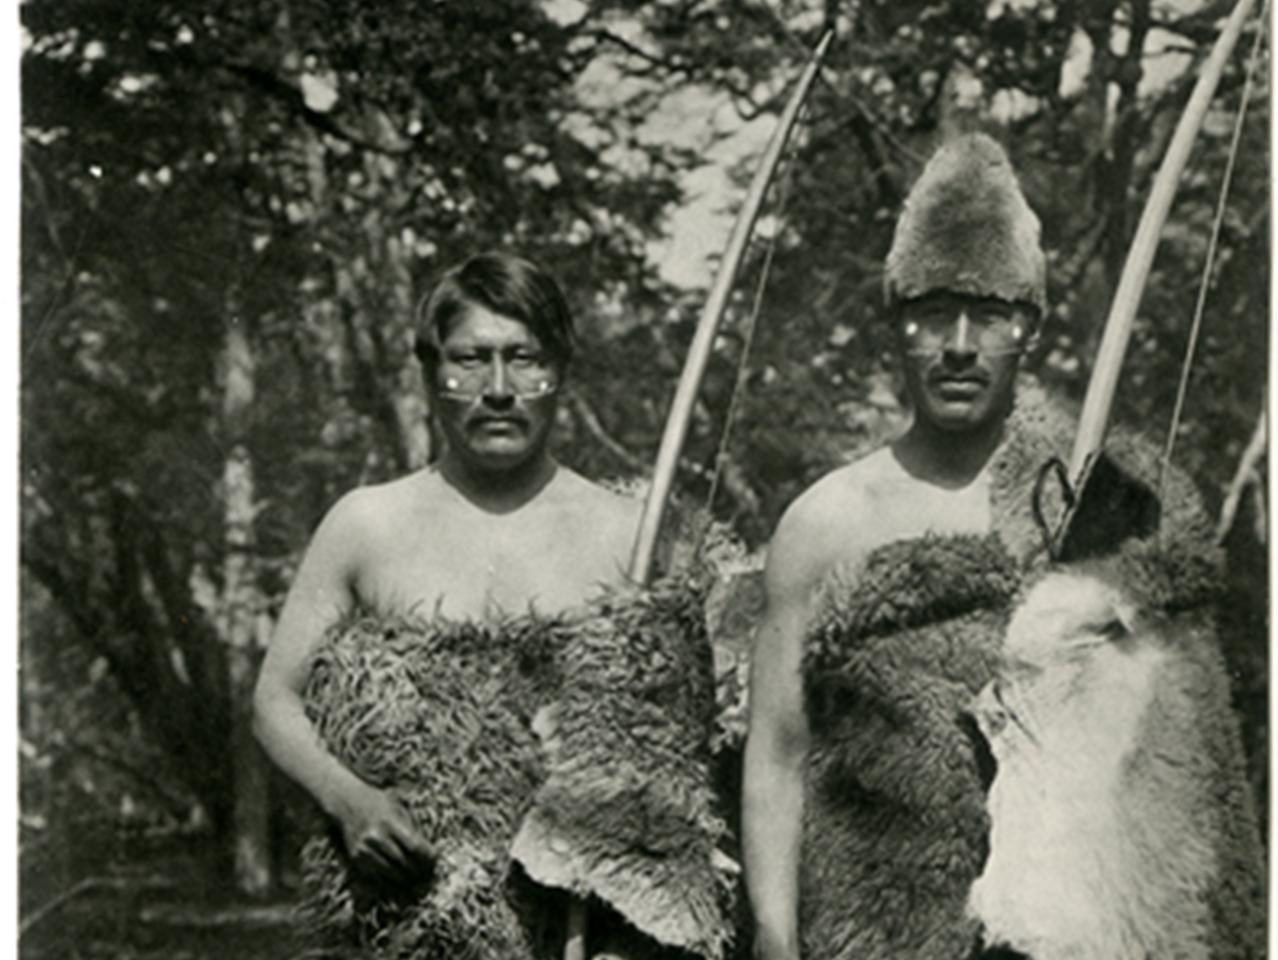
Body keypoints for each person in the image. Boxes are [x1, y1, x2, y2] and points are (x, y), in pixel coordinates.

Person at [741, 133, 1048, 960]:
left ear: (1030, 329)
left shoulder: (1076, 507)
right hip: (865, 928)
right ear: (895, 330)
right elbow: (777, 750)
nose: (956, 344)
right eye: (929, 313)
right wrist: (774, 935)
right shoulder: (826, 520)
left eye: (988, 313)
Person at [253, 250, 642, 889]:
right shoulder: (366, 525)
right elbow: (274, 701)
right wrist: (351, 801)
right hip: (412, 910)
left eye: (523, 358)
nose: (497, 388)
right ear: (432, 375)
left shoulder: (628, 532)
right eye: (469, 358)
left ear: (560, 372)